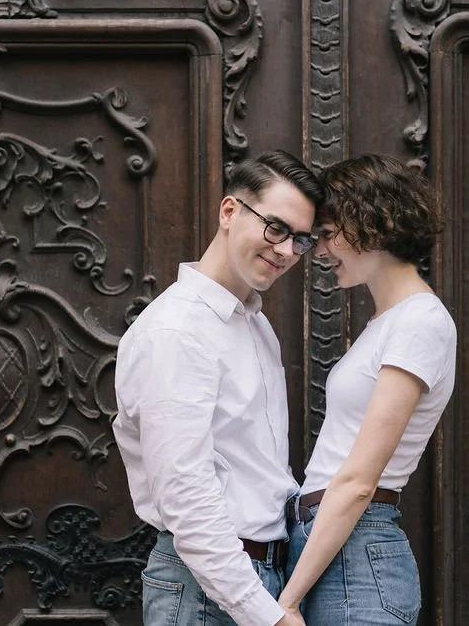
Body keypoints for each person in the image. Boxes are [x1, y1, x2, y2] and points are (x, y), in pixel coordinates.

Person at [113, 150, 323, 626]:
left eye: (300, 239)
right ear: (230, 212)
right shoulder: (177, 331)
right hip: (208, 592)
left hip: (265, 577)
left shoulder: (255, 324)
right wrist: (262, 614)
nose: (287, 250)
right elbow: (185, 494)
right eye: (276, 228)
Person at [278, 154, 456, 625]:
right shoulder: (391, 322)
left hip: (355, 552)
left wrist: (287, 602)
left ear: (373, 222)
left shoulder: (420, 322)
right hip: (334, 545)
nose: (319, 251)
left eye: (329, 232)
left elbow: (358, 483)